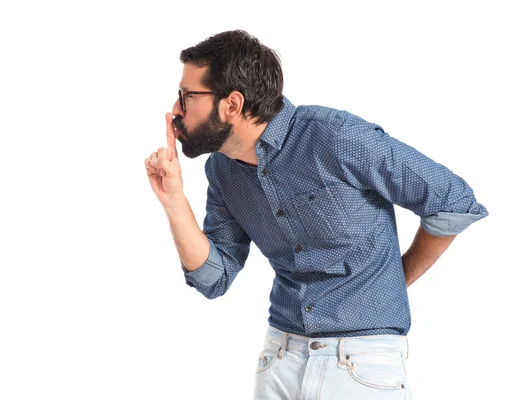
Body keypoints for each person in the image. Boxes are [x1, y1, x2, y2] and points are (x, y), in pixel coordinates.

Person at [144, 30, 488, 399]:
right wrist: (174, 200)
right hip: (279, 358)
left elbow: (452, 201)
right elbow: (214, 278)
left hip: (360, 366)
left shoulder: (336, 137)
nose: (175, 109)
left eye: (187, 96)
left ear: (232, 104)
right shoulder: (223, 171)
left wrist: (394, 281)